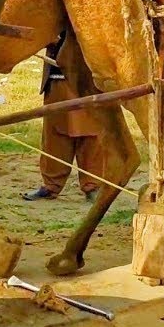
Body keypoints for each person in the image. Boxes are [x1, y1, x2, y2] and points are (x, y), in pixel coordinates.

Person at [21, 31, 104, 204]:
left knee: (91, 134)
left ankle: (93, 186)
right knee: (54, 136)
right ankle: (51, 185)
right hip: (57, 77)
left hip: (90, 78)